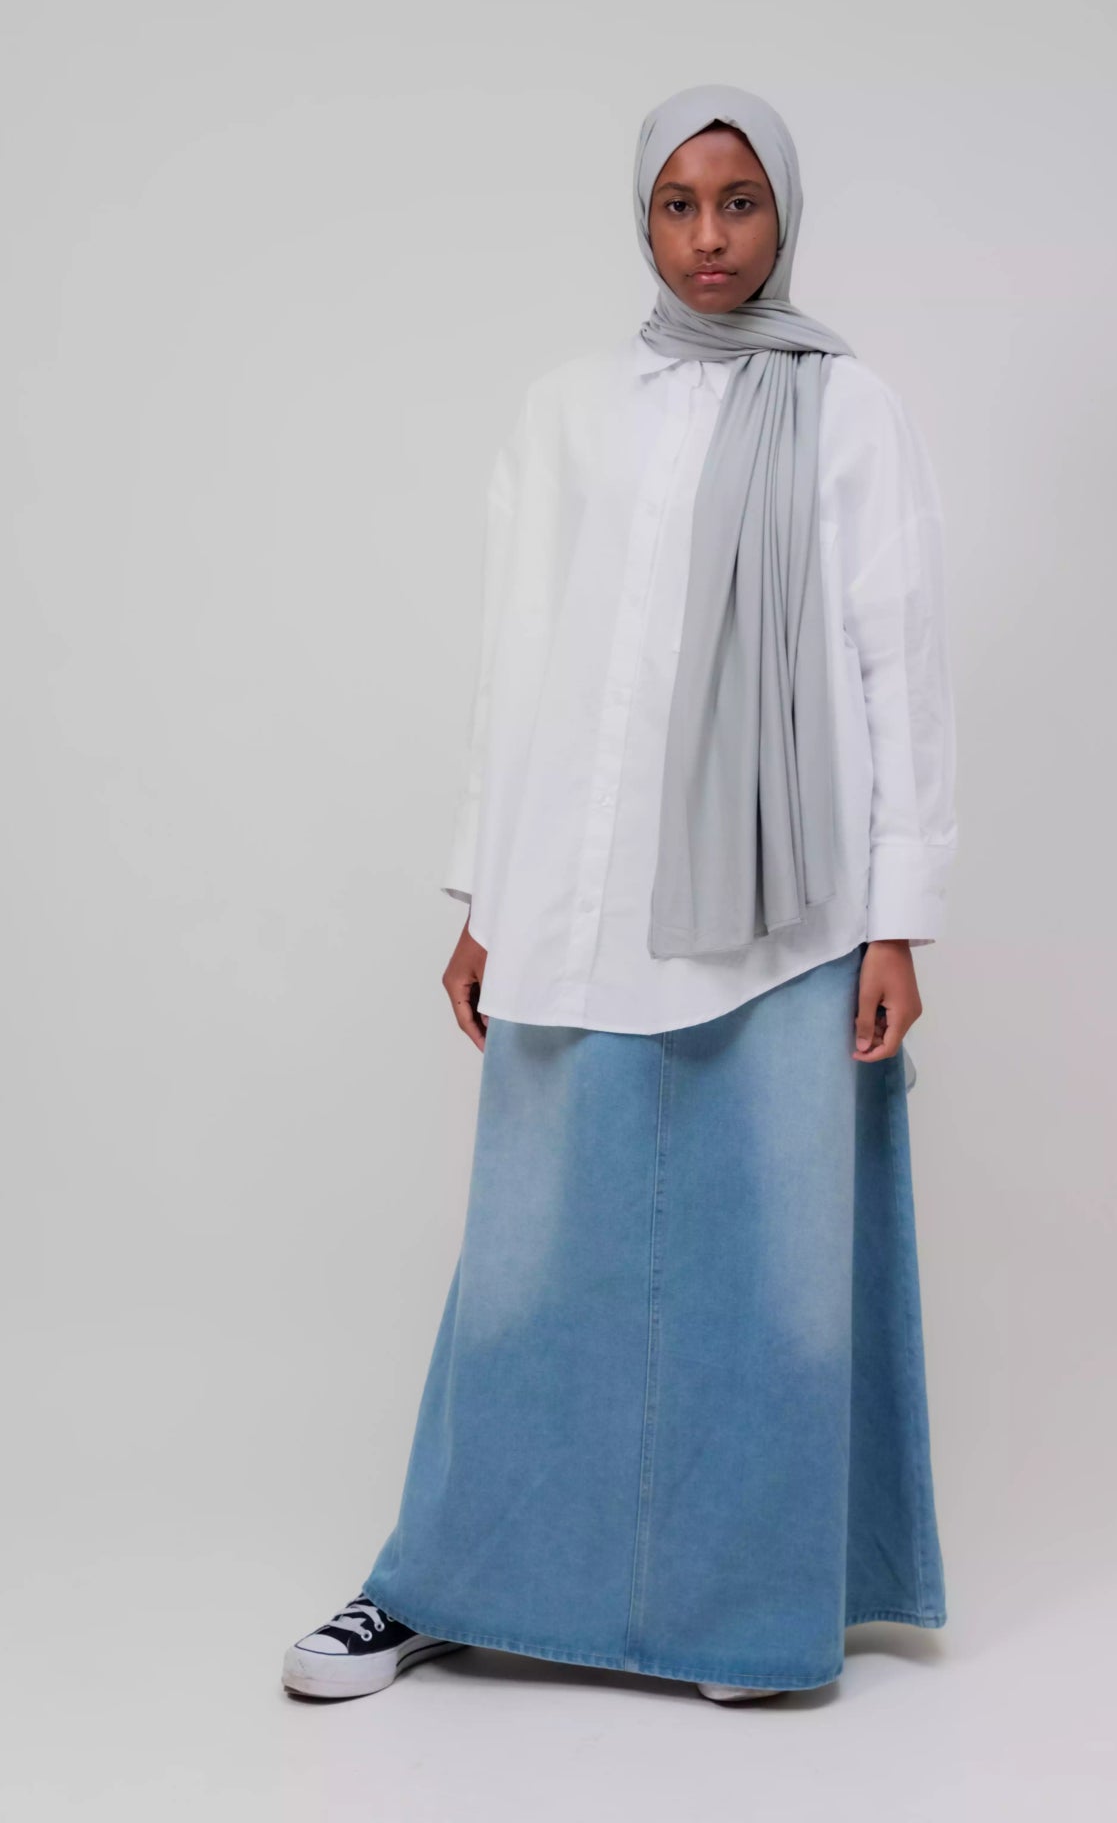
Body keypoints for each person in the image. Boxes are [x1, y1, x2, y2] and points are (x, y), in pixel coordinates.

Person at [281, 82, 958, 1707]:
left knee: (773, 1282)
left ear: (782, 216)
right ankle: (435, 1584)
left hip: (786, 908)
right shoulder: (567, 408)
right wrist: (482, 890)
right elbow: (518, 658)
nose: (709, 237)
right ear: (640, 220)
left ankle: (740, 1616)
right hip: (575, 886)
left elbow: (899, 659)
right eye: (677, 204)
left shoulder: (845, 408)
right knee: (527, 1266)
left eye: (738, 202)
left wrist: (899, 916)